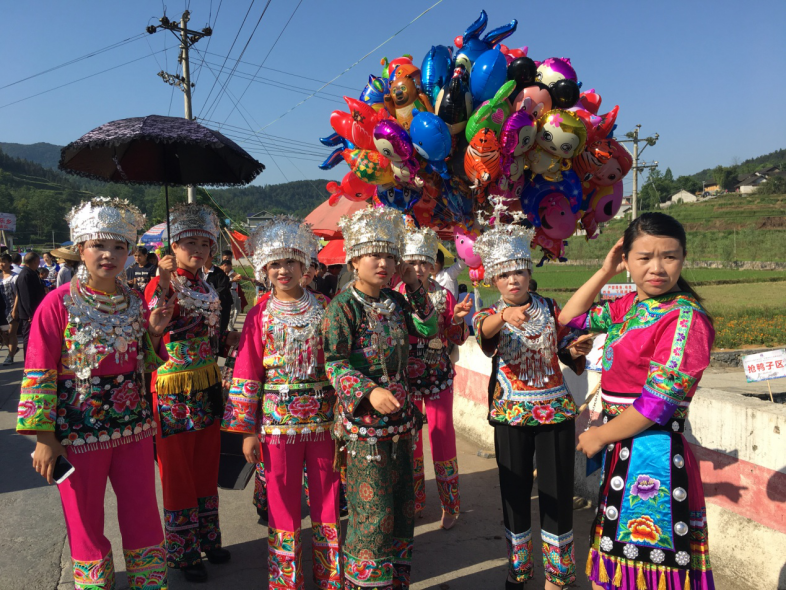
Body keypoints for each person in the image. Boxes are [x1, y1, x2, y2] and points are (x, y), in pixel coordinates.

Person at [18, 197, 174, 589]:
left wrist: (153, 329)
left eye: (119, 246)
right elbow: (38, 370)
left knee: (143, 512)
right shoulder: (58, 303)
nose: (109, 254)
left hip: (134, 429)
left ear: (129, 252)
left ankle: (149, 583)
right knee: (84, 519)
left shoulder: (134, 301)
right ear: (81, 249)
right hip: (77, 431)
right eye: (98, 245)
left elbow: (146, 360)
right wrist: (44, 436)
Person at [559, 212, 716, 590]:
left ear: (684, 258)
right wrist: (604, 272)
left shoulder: (686, 318)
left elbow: (658, 402)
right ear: (626, 259)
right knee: (614, 561)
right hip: (622, 446)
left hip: (652, 454)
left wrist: (600, 436)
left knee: (643, 571)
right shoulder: (629, 306)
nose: (657, 268)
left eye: (670, 256)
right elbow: (569, 318)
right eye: (644, 258)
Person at [322, 207, 438, 590]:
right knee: (373, 513)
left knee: (403, 510)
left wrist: (413, 283)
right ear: (354, 259)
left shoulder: (396, 301)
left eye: (390, 255)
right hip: (364, 429)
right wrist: (369, 390)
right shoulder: (343, 307)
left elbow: (428, 325)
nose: (384, 263)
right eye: (375, 254)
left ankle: (395, 582)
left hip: (402, 423)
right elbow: (334, 363)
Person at [223, 216, 342, 589]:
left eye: (290, 261)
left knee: (328, 501)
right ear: (264, 270)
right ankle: (286, 581)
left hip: (325, 420)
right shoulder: (259, 314)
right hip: (276, 425)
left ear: (304, 265)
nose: (283, 270)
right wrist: (245, 431)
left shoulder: (326, 306)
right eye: (275, 263)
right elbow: (246, 371)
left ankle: (331, 577)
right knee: (282, 504)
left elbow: (341, 362)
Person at [473, 218, 591, 589]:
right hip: (511, 413)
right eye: (505, 275)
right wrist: (502, 316)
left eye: (519, 272)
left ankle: (558, 576)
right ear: (494, 282)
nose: (513, 280)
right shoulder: (489, 315)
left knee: (556, 494)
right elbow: (483, 335)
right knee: (515, 495)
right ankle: (518, 571)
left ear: (528, 274)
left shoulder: (551, 307)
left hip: (554, 410)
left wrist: (575, 349)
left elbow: (561, 348)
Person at [144, 204, 234, 583]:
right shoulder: (162, 283)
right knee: (178, 470)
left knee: (205, 463)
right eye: (188, 242)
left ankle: (208, 538)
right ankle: (183, 553)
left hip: (209, 381)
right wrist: (162, 281)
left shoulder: (207, 284)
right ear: (173, 246)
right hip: (173, 387)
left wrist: (226, 340)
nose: (197, 249)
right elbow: (151, 326)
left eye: (204, 243)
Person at [395, 227, 472, 530]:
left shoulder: (444, 295)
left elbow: (456, 337)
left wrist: (456, 320)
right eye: (411, 263)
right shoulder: (395, 296)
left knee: (442, 436)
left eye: (424, 263)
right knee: (410, 441)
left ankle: (450, 504)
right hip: (405, 381)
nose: (418, 269)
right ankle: (414, 501)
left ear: (432, 265)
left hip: (438, 376)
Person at [16, 251, 46, 359]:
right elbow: (25, 297)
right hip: (29, 315)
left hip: (36, 312)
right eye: (38, 261)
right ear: (34, 261)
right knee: (28, 339)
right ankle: (28, 362)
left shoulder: (33, 273)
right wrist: (31, 314)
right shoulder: (25, 275)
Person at [204, 255, 233, 336]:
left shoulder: (219, 273)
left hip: (221, 306)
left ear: (211, 258)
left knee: (219, 330)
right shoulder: (199, 272)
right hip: (205, 307)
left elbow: (223, 287)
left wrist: (210, 296)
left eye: (206, 255)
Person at [0, 253, 19, 365]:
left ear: (9, 263)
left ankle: (10, 356)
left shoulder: (14, 277)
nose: (1, 264)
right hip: (1, 309)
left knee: (12, 333)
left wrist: (15, 310)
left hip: (11, 307)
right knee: (3, 334)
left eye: (3, 261)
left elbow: (17, 295)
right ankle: (13, 348)